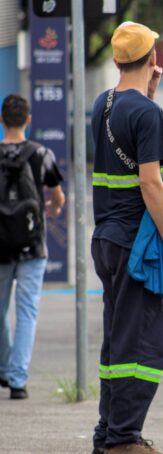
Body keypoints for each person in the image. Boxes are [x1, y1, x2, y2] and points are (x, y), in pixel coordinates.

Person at [90, 22, 163, 454]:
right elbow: (150, 183)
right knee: (145, 346)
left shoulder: (103, 104)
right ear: (152, 59)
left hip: (107, 240)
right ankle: (124, 439)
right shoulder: (148, 114)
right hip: (137, 246)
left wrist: (147, 94)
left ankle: (108, 434)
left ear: (115, 60)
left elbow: (125, 148)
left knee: (117, 340)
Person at [0, 94, 65, 400]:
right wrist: (51, 209)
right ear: (28, 119)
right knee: (27, 311)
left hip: (0, 246)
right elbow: (57, 196)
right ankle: (17, 379)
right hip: (33, 245)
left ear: (1, 120)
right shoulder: (41, 153)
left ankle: (4, 366)